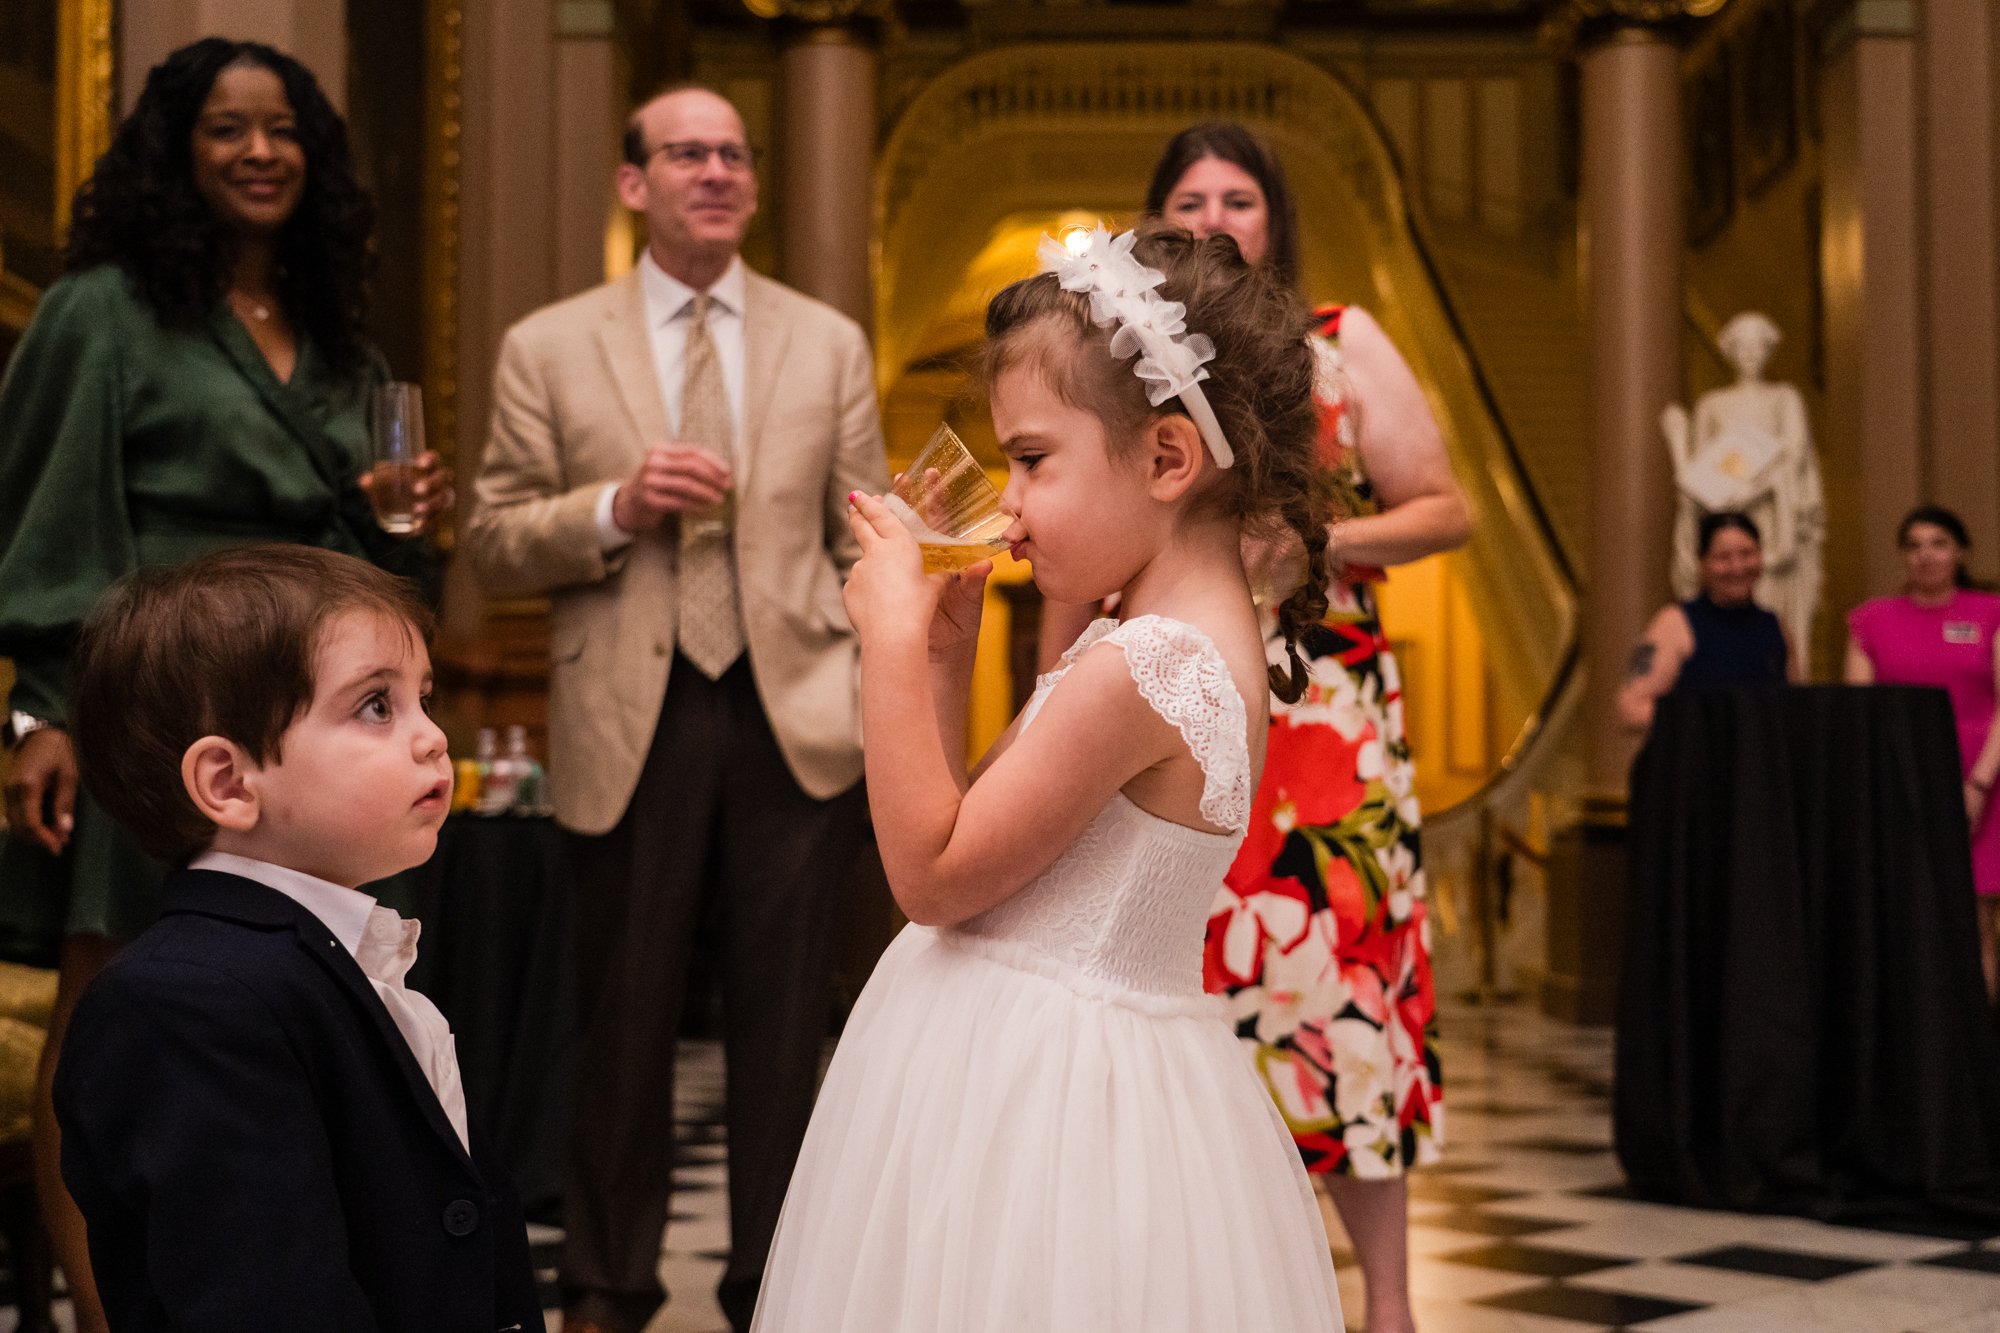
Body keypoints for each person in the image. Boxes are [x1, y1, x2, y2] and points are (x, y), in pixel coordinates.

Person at [752, 220, 1340, 1332]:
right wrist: (940, 648)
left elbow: (927, 876)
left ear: (1166, 459)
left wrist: (881, 633)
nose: (1008, 503)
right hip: (1050, 1065)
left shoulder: (1150, 665)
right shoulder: (1159, 638)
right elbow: (972, 827)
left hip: (1038, 1104)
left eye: (1031, 460)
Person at [0, 39, 446, 1330]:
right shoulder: (102, 309)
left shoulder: (345, 347)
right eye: (226, 129)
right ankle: (107, 1308)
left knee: (308, 992)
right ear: (174, 153)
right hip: (143, 701)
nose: (260, 152)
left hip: (305, 722)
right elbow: (45, 517)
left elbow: (357, 568)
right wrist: (42, 709)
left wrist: (392, 527)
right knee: (111, 1006)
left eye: (284, 130)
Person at [1023, 122, 1459, 1333]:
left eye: (1240, 197)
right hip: (1160, 694)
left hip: (1323, 708)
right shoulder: (1120, 371)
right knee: (1191, 978)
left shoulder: (1339, 344)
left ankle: (1387, 1305)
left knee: (1345, 988)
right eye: (1188, 198)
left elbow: (1449, 507)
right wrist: (1046, 691)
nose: (1216, 215)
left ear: (1274, 221)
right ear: (1156, 223)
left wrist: (1313, 543)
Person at [465, 84, 887, 1333]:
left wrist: (880, 671)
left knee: (784, 1030)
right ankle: (603, 1285)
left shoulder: (828, 342)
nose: (714, 170)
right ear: (631, 182)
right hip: (625, 717)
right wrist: (614, 506)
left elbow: (867, 539)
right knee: (622, 1022)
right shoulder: (548, 344)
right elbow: (489, 540)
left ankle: (779, 1284)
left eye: (733, 154)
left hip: (792, 713)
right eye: (684, 153)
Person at [52, 544, 537, 1332]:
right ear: (228, 782)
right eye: (377, 706)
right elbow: (263, 1297)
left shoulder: (343, 959)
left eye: (426, 698)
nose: (433, 737)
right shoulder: (184, 1001)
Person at [1846, 505, 2000, 999]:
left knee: (1974, 920)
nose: (1925, 555)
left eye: (1937, 543)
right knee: (1906, 922)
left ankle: (1978, 1058)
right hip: (1900, 785)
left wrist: (1977, 786)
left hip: (1984, 780)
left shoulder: (1990, 613)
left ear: (1960, 552)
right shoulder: (1872, 620)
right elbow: (1860, 714)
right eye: (1913, 545)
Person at [1618, 511, 1792, 732]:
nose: (1737, 567)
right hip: (1696, 762)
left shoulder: (1775, 624)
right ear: (1702, 563)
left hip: (1760, 762)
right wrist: (1709, 723)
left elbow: (1793, 704)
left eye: (1747, 554)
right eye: (1723, 558)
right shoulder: (1674, 623)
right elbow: (1630, 708)